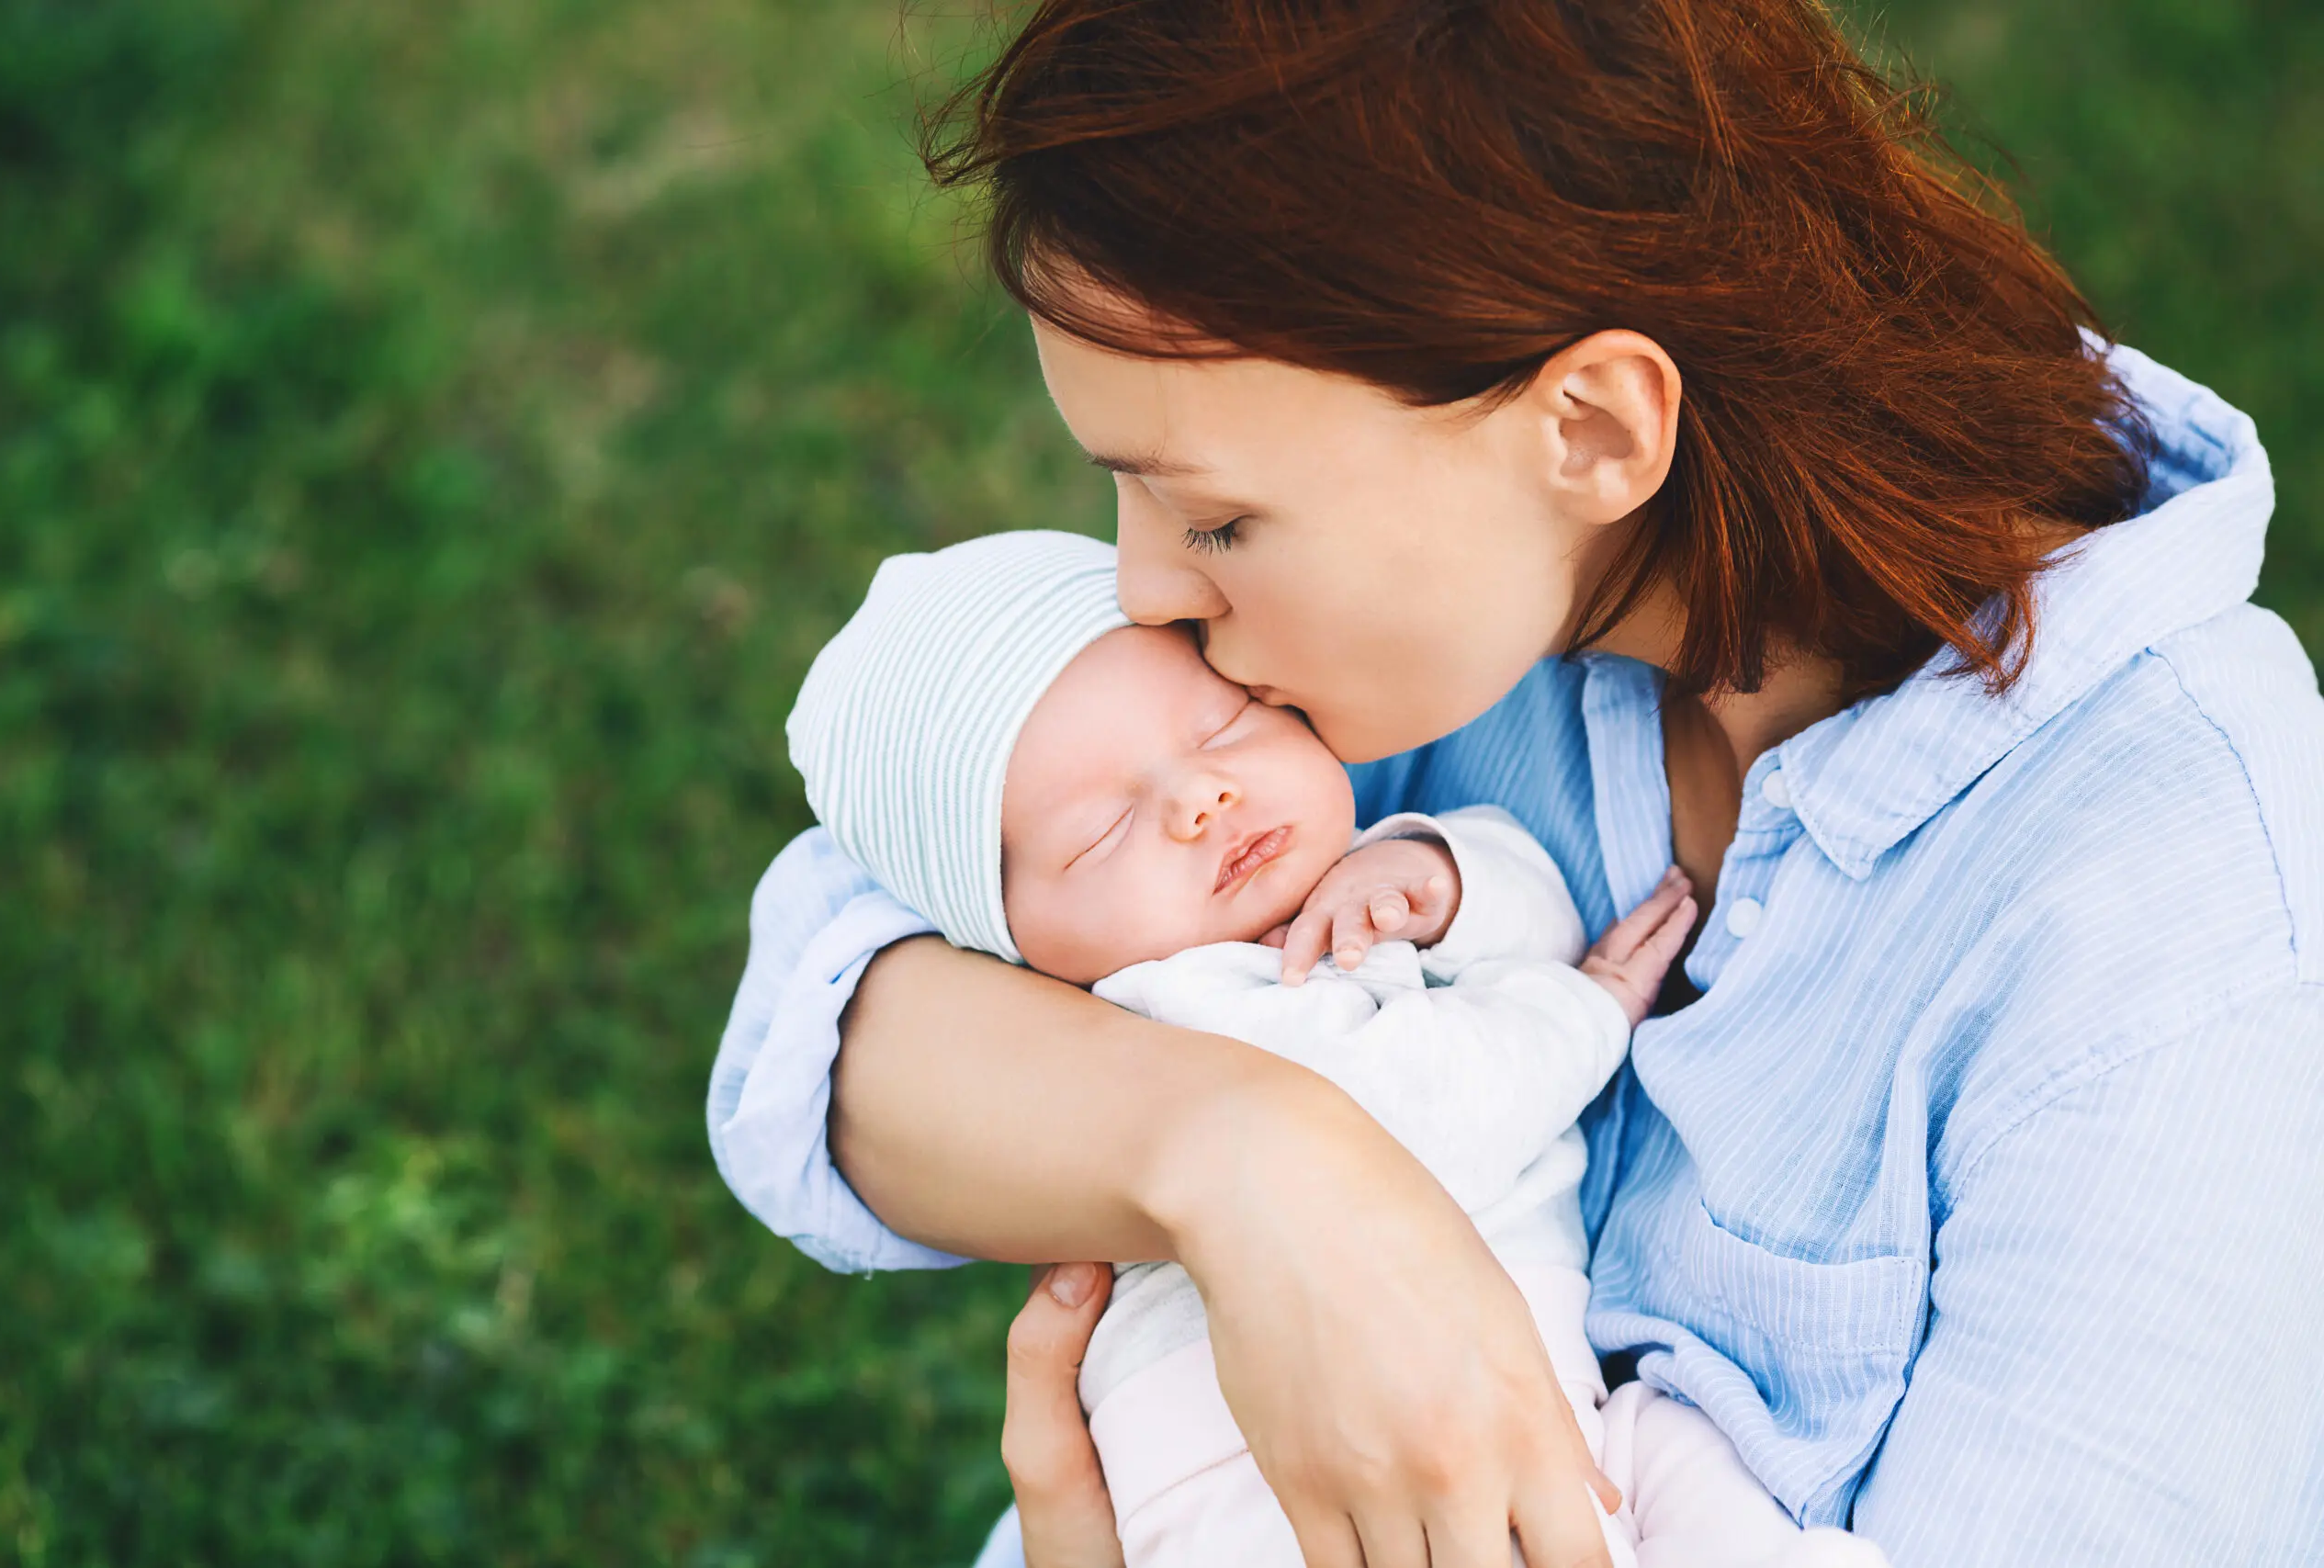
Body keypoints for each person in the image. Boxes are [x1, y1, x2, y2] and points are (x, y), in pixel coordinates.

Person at [707, 3, 2324, 1563]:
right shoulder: (1378, 663)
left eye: (1216, 518)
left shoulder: (2178, 912)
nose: (1142, 597)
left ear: (1594, 430)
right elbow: (821, 1010)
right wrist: (1253, 1164)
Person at [782, 527, 1878, 1565]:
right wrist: (1587, 1009)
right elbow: (1426, 1118)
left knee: (1677, 1469)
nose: (1198, 800)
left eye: (1220, 728)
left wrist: (1439, 879)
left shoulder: (1339, 879)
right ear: (1015, 946)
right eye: (1101, 832)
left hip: (1519, 1402)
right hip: (1249, 1486)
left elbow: (1528, 907)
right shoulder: (1181, 1002)